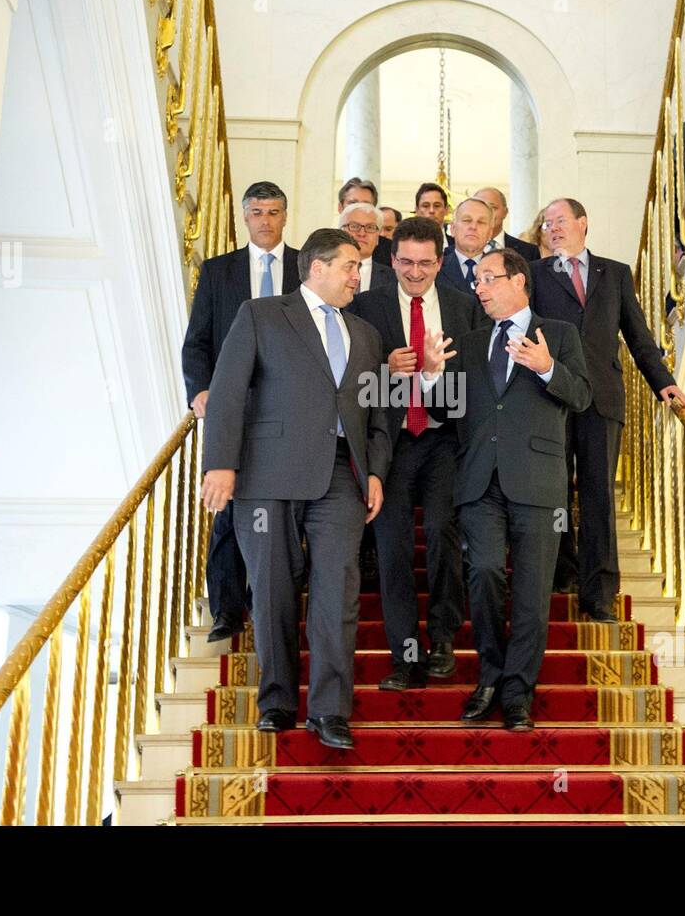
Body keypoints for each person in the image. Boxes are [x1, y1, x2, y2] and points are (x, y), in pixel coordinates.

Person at [200, 228, 391, 751]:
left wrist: (374, 470)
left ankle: (329, 711)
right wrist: (220, 464)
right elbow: (228, 394)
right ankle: (278, 700)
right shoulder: (260, 315)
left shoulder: (366, 333)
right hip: (266, 475)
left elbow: (377, 412)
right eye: (350, 265)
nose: (358, 275)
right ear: (317, 267)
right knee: (273, 588)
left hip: (340, 479)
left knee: (338, 591)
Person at [420, 248, 591, 730]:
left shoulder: (558, 335)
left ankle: (518, 692)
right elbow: (443, 410)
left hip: (537, 481)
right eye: (477, 280)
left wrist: (546, 367)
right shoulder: (471, 342)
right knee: (486, 573)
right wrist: (431, 375)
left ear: (519, 280)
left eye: (489, 278)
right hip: (479, 481)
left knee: (533, 592)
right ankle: (490, 677)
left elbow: (581, 396)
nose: (480, 286)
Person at [529, 198, 685, 620]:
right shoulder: (534, 275)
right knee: (556, 490)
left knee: (598, 493)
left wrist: (664, 382)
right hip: (554, 395)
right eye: (548, 223)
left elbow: (638, 335)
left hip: (602, 399)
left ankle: (599, 595)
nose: (553, 228)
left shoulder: (615, 273)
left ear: (584, 223)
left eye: (560, 220)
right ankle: (559, 573)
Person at [348, 216, 486, 690]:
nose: (414, 271)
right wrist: (385, 367)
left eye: (425, 263)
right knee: (393, 548)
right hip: (392, 443)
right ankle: (405, 655)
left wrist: (430, 376)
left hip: (447, 440)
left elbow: (473, 385)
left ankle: (444, 638)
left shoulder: (464, 307)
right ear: (392, 259)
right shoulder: (366, 306)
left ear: (440, 261)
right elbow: (354, 385)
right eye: (405, 261)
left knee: (445, 535)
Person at [181, 181, 299, 643]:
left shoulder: (305, 267)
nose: (265, 220)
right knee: (227, 507)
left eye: (273, 211)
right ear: (244, 218)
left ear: (285, 216)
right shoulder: (218, 271)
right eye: (256, 212)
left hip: (289, 410)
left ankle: (276, 605)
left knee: (285, 509)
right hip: (234, 409)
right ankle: (227, 610)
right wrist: (202, 390)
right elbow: (197, 342)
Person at [435, 197, 493, 296]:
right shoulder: (435, 268)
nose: (473, 227)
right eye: (467, 220)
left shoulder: (501, 272)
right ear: (453, 229)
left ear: (490, 233)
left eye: (481, 222)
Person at [338, 202, 395, 293]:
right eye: (354, 226)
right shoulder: (325, 272)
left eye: (370, 227)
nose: (362, 233)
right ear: (340, 232)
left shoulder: (394, 278)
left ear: (378, 237)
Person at [472, 187, 540, 262]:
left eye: (493, 208)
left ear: (505, 212)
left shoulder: (530, 251)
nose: (487, 213)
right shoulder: (458, 248)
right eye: (481, 208)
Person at [339, 176, 391, 265]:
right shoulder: (321, 247)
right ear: (340, 207)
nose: (359, 209)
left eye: (365, 204)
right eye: (353, 203)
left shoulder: (390, 252)